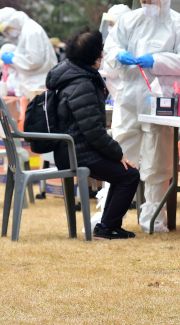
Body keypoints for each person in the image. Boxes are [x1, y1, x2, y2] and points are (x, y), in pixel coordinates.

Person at [103, 0, 180, 233]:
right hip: (129, 95)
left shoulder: (178, 23)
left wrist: (156, 60)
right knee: (119, 154)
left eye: (152, 0)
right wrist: (119, 54)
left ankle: (153, 221)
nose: (147, 5)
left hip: (159, 96)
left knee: (157, 160)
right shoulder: (129, 20)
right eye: (143, 0)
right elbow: (110, 48)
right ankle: (109, 217)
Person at [47, 27, 140, 240]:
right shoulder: (83, 84)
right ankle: (107, 227)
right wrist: (118, 154)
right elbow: (94, 132)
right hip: (79, 151)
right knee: (130, 174)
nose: (103, 56)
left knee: (122, 173)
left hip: (70, 148)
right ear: (92, 56)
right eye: (100, 52)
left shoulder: (70, 74)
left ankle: (107, 225)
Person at [0, 8, 57, 97]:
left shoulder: (31, 31)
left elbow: (35, 61)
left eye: (8, 28)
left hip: (38, 84)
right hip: (34, 84)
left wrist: (13, 59)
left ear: (13, 21)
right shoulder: (26, 31)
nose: (8, 31)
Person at [99, 4, 131, 97]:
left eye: (111, 24)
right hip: (116, 95)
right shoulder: (113, 41)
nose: (110, 28)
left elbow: (110, 70)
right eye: (109, 24)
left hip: (125, 95)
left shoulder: (127, 42)